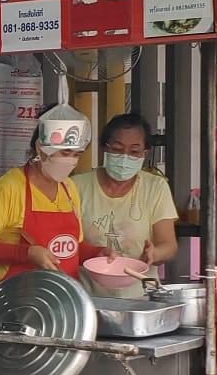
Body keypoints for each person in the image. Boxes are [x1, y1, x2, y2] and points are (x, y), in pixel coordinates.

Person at [0, 102, 96, 281]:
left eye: (76, 154)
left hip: (63, 300)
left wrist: (99, 254)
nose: (71, 161)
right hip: (18, 302)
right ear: (41, 148)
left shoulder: (68, 188)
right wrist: (26, 253)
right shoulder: (10, 187)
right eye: (65, 153)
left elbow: (73, 248)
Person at [76, 113, 179, 294]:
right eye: (117, 149)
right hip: (88, 298)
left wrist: (154, 254)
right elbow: (65, 243)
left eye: (134, 152)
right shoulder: (76, 186)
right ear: (103, 149)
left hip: (141, 298)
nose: (125, 157)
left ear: (144, 154)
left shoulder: (155, 187)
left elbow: (169, 244)